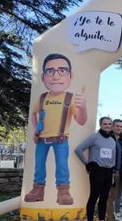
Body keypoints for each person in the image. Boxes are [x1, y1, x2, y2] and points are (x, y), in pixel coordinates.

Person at [24, 53, 88, 205]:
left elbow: (81, 121)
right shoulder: (41, 98)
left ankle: (63, 191)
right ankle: (38, 190)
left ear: (71, 76)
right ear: (43, 77)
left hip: (60, 139)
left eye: (62, 71)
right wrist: (34, 130)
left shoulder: (70, 98)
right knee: (39, 165)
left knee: (62, 166)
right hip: (41, 139)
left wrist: (83, 108)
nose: (56, 76)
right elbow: (33, 114)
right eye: (50, 71)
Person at [74, 117, 116, 221]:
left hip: (108, 172)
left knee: (104, 198)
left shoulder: (112, 140)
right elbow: (79, 149)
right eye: (104, 124)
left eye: (109, 124)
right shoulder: (95, 137)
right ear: (100, 125)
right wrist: (88, 164)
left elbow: (113, 158)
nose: (107, 125)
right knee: (94, 197)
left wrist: (113, 172)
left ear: (111, 126)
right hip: (97, 171)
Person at [106, 119, 122, 221]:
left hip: (118, 171)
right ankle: (108, 218)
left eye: (121, 127)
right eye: (117, 126)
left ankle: (110, 216)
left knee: (114, 195)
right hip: (111, 171)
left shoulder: (118, 140)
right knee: (110, 195)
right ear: (113, 126)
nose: (119, 128)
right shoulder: (109, 138)